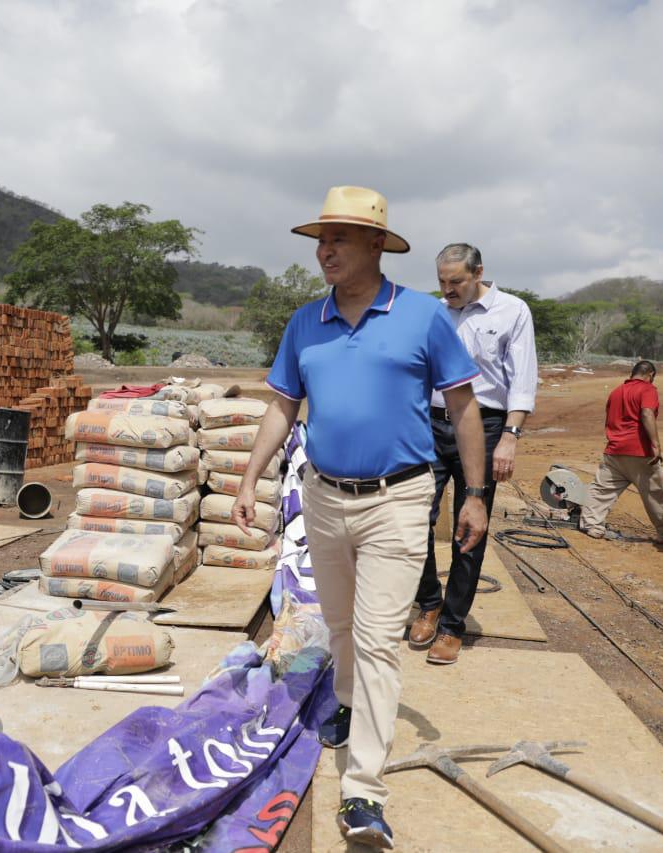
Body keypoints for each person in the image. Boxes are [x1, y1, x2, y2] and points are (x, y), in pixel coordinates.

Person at [231, 186, 488, 849]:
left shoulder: (423, 316)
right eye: (322, 238)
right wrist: (251, 475)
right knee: (341, 624)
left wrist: (476, 492)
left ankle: (364, 793)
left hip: (398, 500)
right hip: (321, 496)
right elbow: (284, 408)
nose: (326, 249)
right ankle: (346, 701)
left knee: (377, 640)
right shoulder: (303, 324)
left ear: (378, 244)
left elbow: (462, 408)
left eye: (340, 238)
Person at [410, 244, 538, 665]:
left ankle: (451, 625)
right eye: (442, 282)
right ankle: (428, 602)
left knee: (470, 524)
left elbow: (522, 379)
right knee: (413, 518)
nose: (448, 290)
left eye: (456, 282)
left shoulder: (512, 311)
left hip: (484, 425)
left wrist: (510, 437)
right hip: (430, 422)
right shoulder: (432, 313)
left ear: (479, 272)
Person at [579, 361, 663, 543]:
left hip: (614, 450)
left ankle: (592, 526)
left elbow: (610, 419)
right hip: (639, 451)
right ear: (649, 374)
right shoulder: (647, 389)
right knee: (657, 493)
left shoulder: (616, 392)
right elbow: (647, 413)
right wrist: (655, 445)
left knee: (601, 490)